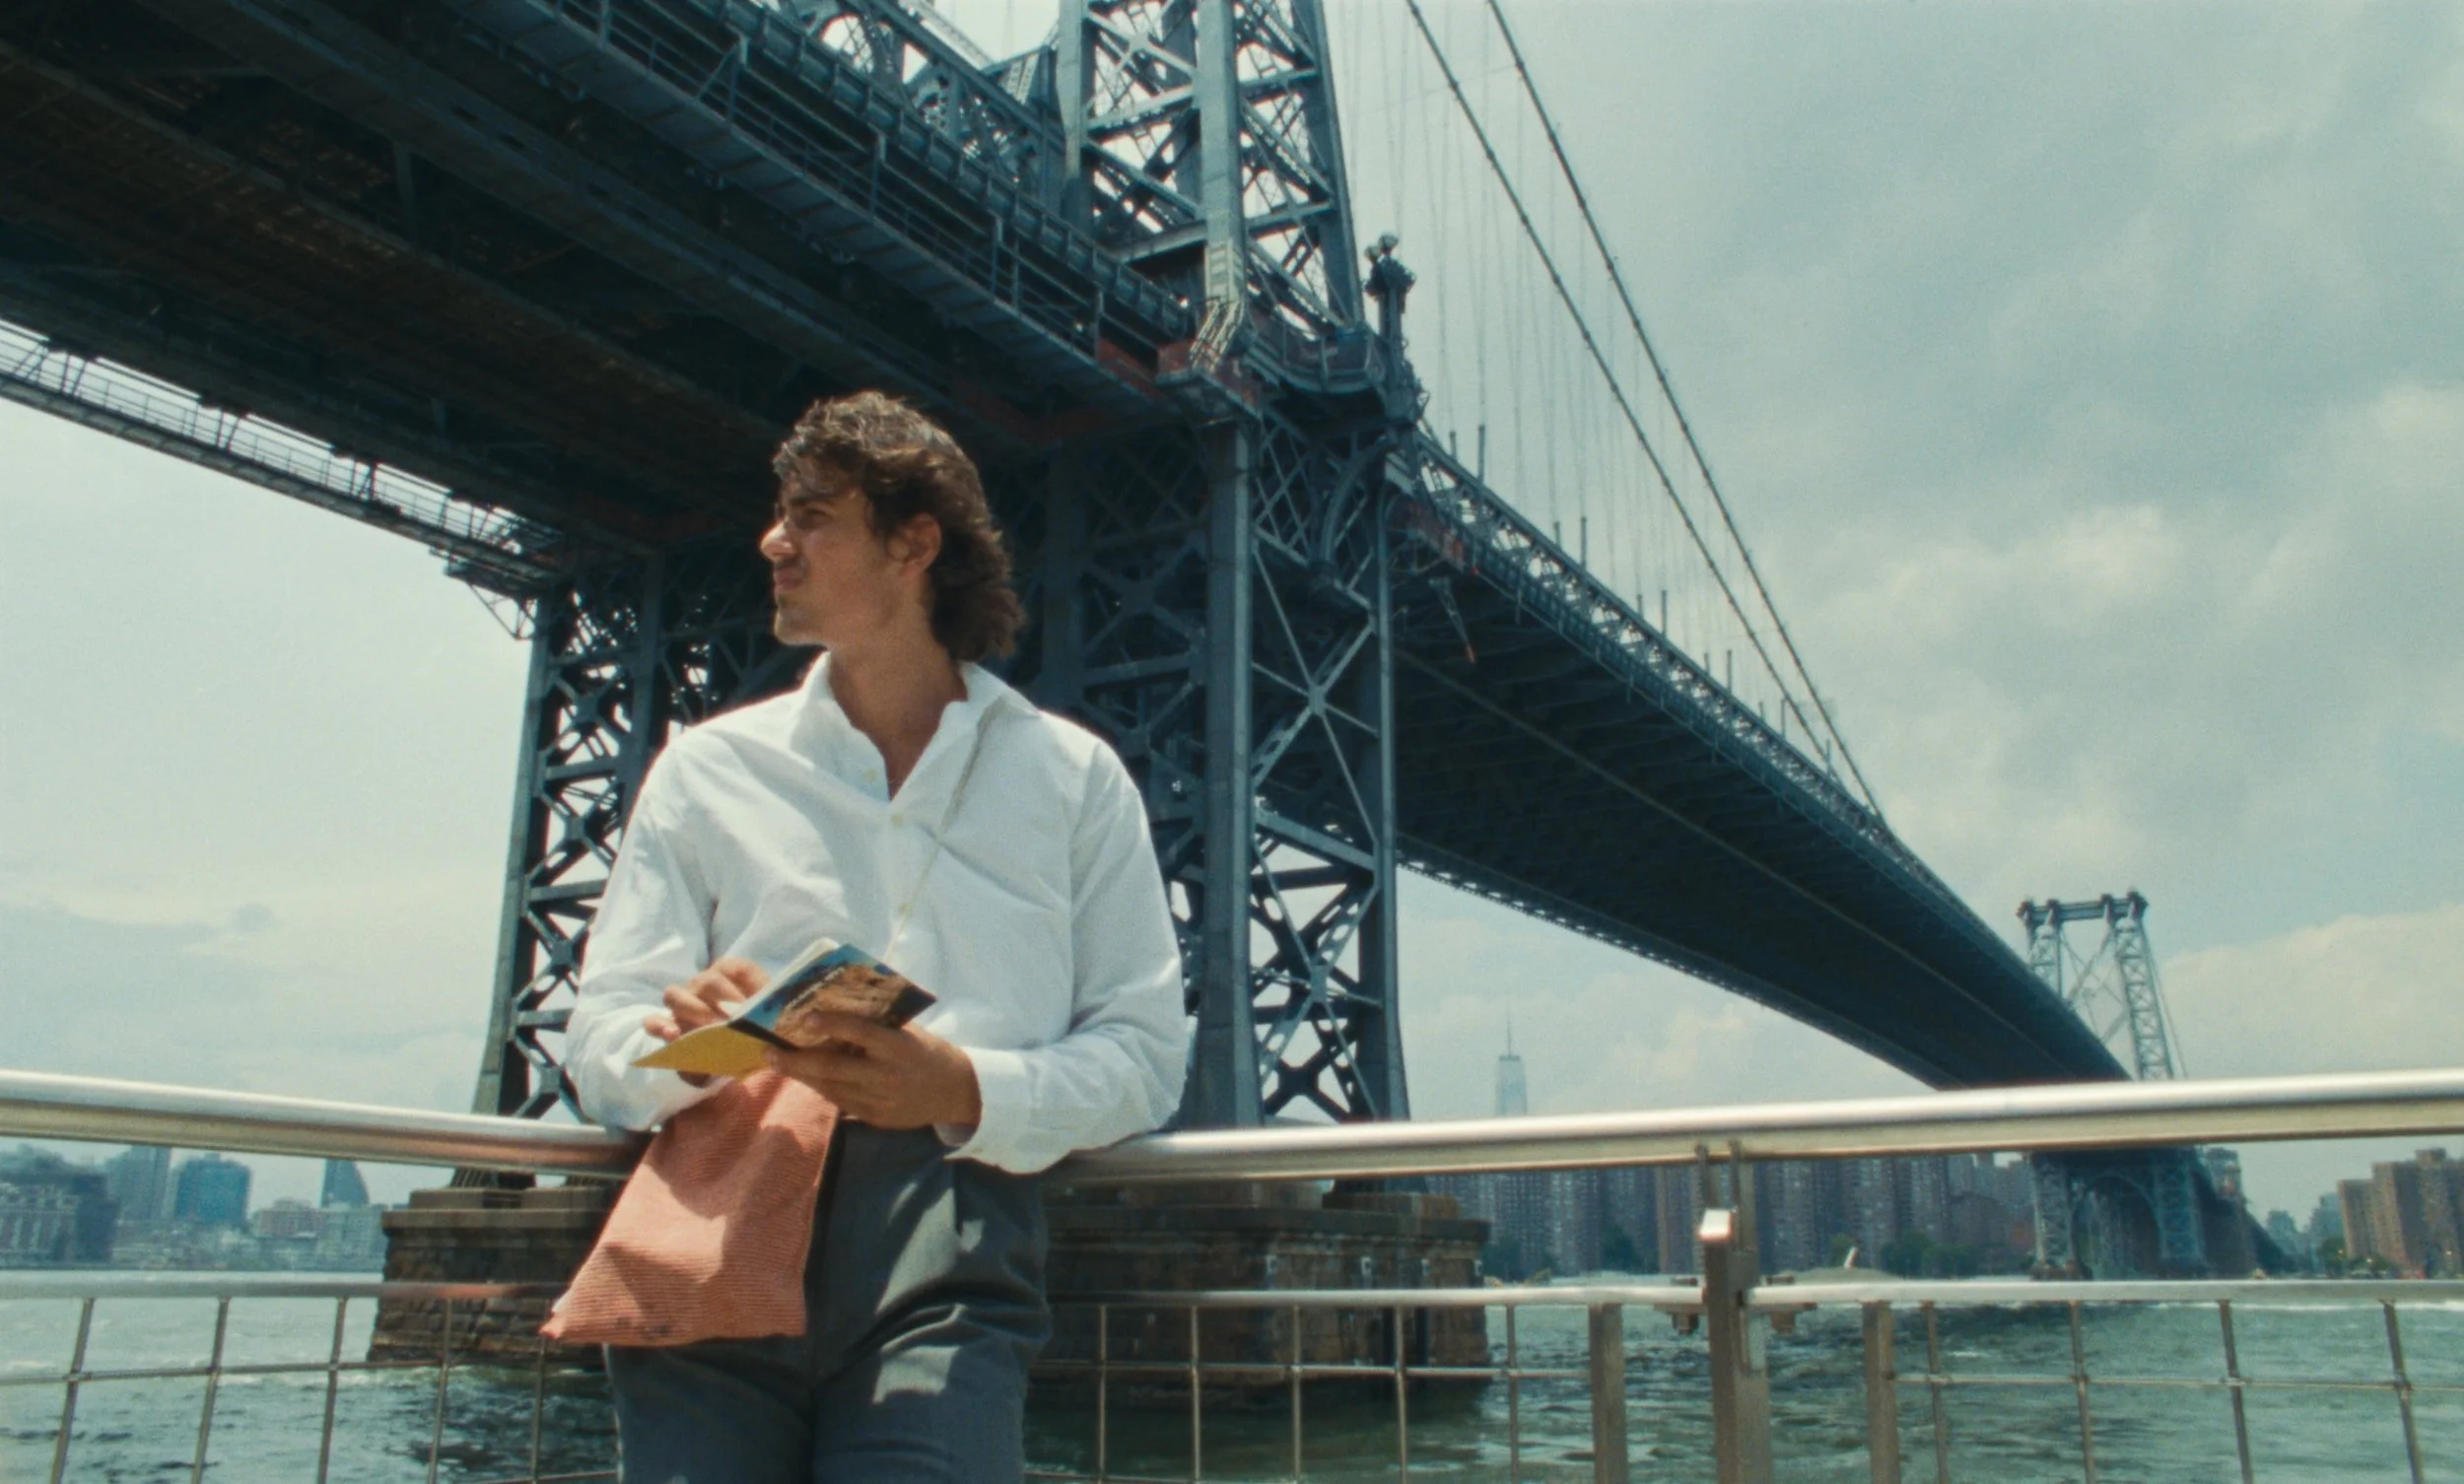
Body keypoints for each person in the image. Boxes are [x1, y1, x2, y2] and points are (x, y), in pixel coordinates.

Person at [562, 390, 1191, 1482]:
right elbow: (597, 1045)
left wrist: (961, 1087)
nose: (772, 541)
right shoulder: (706, 770)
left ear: (914, 545)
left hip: (949, 1247)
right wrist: (690, 1049)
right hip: (715, 1226)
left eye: (811, 517)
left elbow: (1146, 1060)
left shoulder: (1073, 778)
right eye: (780, 516)